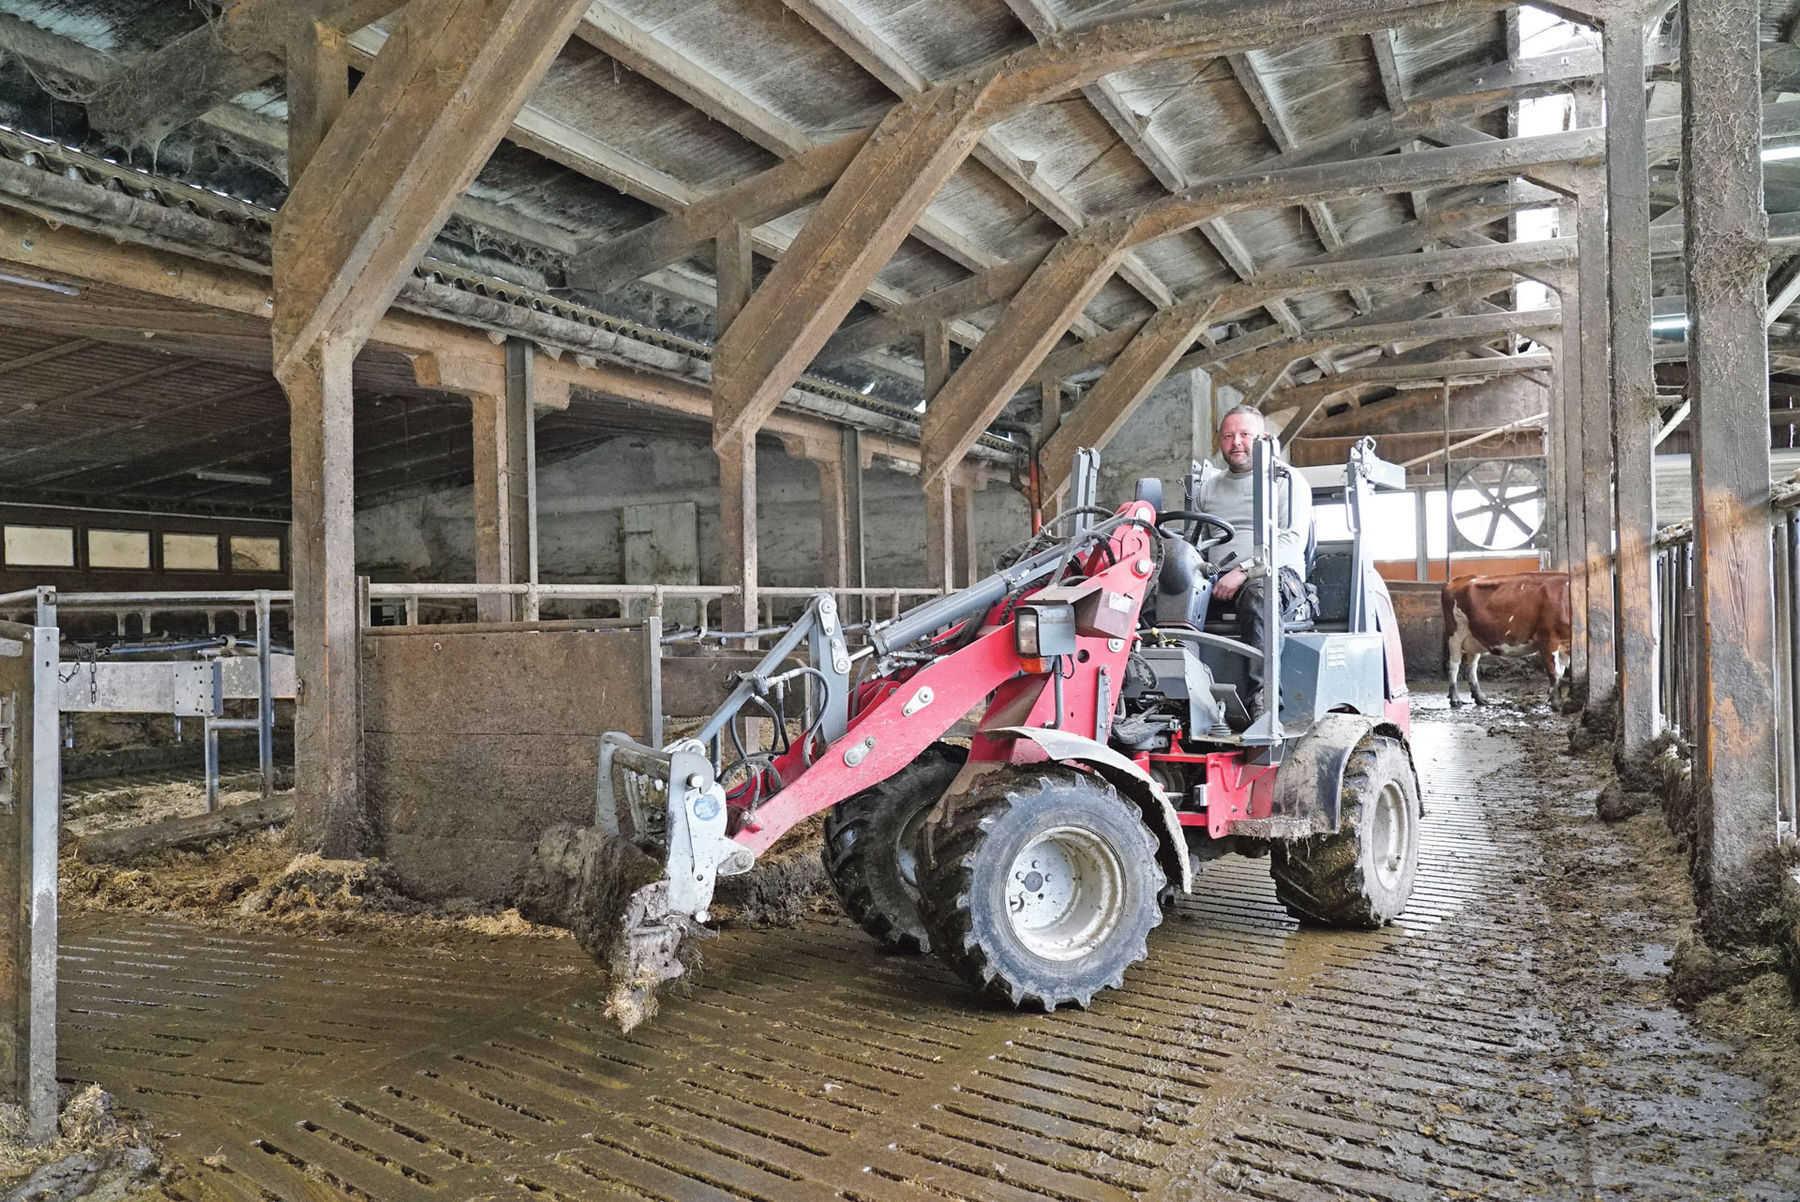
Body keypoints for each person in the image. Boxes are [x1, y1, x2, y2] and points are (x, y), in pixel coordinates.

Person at [1191, 404, 1313, 666]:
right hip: (1217, 577)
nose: (1236, 443)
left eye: (1244, 435)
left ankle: (1262, 698)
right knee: (1163, 591)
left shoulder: (1286, 480)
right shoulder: (1209, 488)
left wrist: (1244, 572)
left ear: (1262, 438)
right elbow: (1195, 545)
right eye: (1228, 436)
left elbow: (1292, 541)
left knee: (1259, 592)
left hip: (1276, 577)